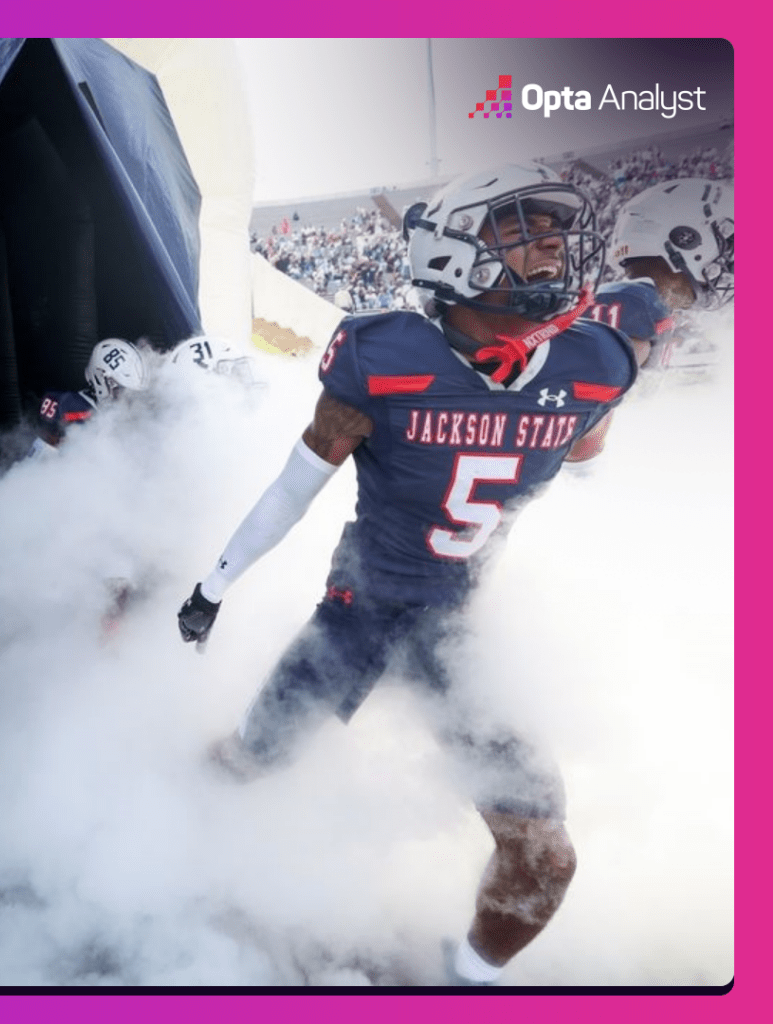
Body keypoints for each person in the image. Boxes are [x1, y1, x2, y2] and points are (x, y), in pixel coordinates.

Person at [177, 163, 637, 985]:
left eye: (552, 228)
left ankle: (466, 984)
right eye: (521, 229)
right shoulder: (381, 353)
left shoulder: (594, 363)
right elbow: (295, 487)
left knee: (545, 857)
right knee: (241, 769)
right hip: (363, 613)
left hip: (461, 632)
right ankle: (167, 871)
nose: (551, 245)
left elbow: (588, 452)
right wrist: (213, 587)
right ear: (455, 252)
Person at [588, 178, 734, 369]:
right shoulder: (636, 311)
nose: (731, 264)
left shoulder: (653, 311)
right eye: (728, 248)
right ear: (685, 240)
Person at [29, 337, 150, 457]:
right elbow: (39, 465)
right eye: (123, 390)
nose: (129, 399)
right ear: (102, 380)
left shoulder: (127, 418)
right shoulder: (70, 408)